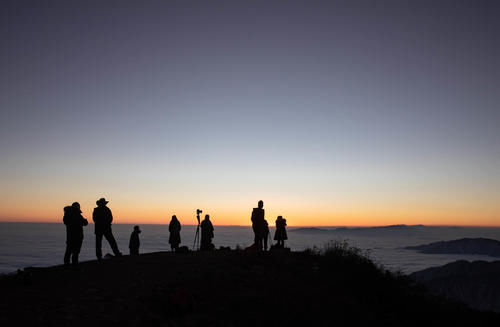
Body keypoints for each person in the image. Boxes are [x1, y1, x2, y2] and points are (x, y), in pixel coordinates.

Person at [63, 202, 88, 267]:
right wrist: (84, 220)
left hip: (70, 236)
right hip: (78, 236)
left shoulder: (67, 214)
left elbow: (66, 222)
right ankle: (74, 265)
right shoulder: (77, 215)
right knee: (75, 252)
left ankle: (67, 265)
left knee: (69, 251)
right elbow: (84, 223)